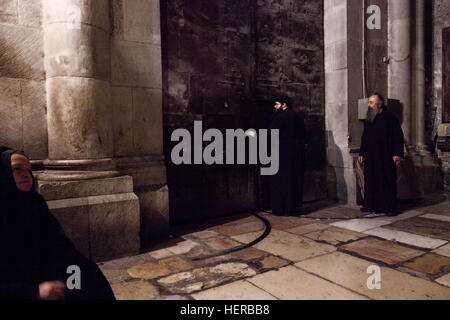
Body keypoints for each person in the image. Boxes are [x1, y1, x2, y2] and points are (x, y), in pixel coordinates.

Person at [0, 146, 115, 300]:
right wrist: (34, 292)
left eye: (29, 170)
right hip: (20, 284)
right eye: (17, 169)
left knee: (86, 272)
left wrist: (72, 278)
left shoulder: (35, 203)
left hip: (47, 271)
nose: (26, 175)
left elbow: (60, 244)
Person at [358, 93, 404, 216]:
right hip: (371, 155)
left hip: (386, 155)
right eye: (369, 102)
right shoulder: (369, 117)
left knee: (386, 181)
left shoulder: (390, 118)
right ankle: (370, 205)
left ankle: (390, 208)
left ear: (379, 104)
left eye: (371, 103)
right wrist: (362, 152)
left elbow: (397, 136)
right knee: (371, 180)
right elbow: (365, 136)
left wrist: (397, 153)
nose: (369, 105)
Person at [269, 96, 305, 216]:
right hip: (296, 154)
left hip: (282, 154)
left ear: (284, 105)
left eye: (277, 104)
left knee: (281, 181)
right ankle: (293, 208)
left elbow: (272, 135)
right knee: (294, 180)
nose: (275, 107)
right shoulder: (298, 117)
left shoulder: (280, 117)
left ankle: (281, 209)